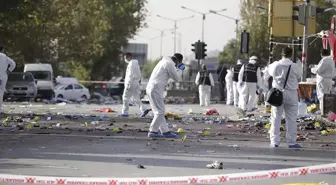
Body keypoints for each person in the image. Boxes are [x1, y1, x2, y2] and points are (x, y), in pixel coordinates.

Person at [268, 47, 302, 148]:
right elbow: (299, 76)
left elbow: (269, 73)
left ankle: (274, 142)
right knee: (291, 119)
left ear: (281, 54)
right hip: (291, 93)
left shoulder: (275, 65)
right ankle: (291, 141)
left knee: (276, 118)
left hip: (278, 94)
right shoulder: (295, 66)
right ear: (291, 55)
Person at [146, 53, 185, 138]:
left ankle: (165, 131)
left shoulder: (163, 62)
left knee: (158, 112)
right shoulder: (169, 63)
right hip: (155, 88)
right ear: (178, 61)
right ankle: (152, 131)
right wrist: (180, 69)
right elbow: (177, 78)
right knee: (160, 111)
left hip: (150, 87)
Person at [120, 52, 150, 117]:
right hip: (135, 83)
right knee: (135, 98)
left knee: (125, 97)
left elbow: (130, 75)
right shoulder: (136, 64)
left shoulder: (131, 64)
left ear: (129, 57)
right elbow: (138, 74)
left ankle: (125, 112)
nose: (125, 60)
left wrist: (128, 84)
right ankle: (144, 109)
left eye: (126, 58)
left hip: (130, 83)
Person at [311, 49, 335, 115]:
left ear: (321, 54)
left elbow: (319, 70)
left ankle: (323, 113)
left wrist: (312, 69)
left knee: (322, 97)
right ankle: (327, 112)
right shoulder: (331, 60)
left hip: (323, 81)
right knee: (327, 97)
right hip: (329, 80)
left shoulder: (324, 60)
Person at [0, 44, 16, 114]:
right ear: (2, 50)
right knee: (0, 93)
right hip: (3, 76)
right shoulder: (5, 57)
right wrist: (8, 71)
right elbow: (13, 64)